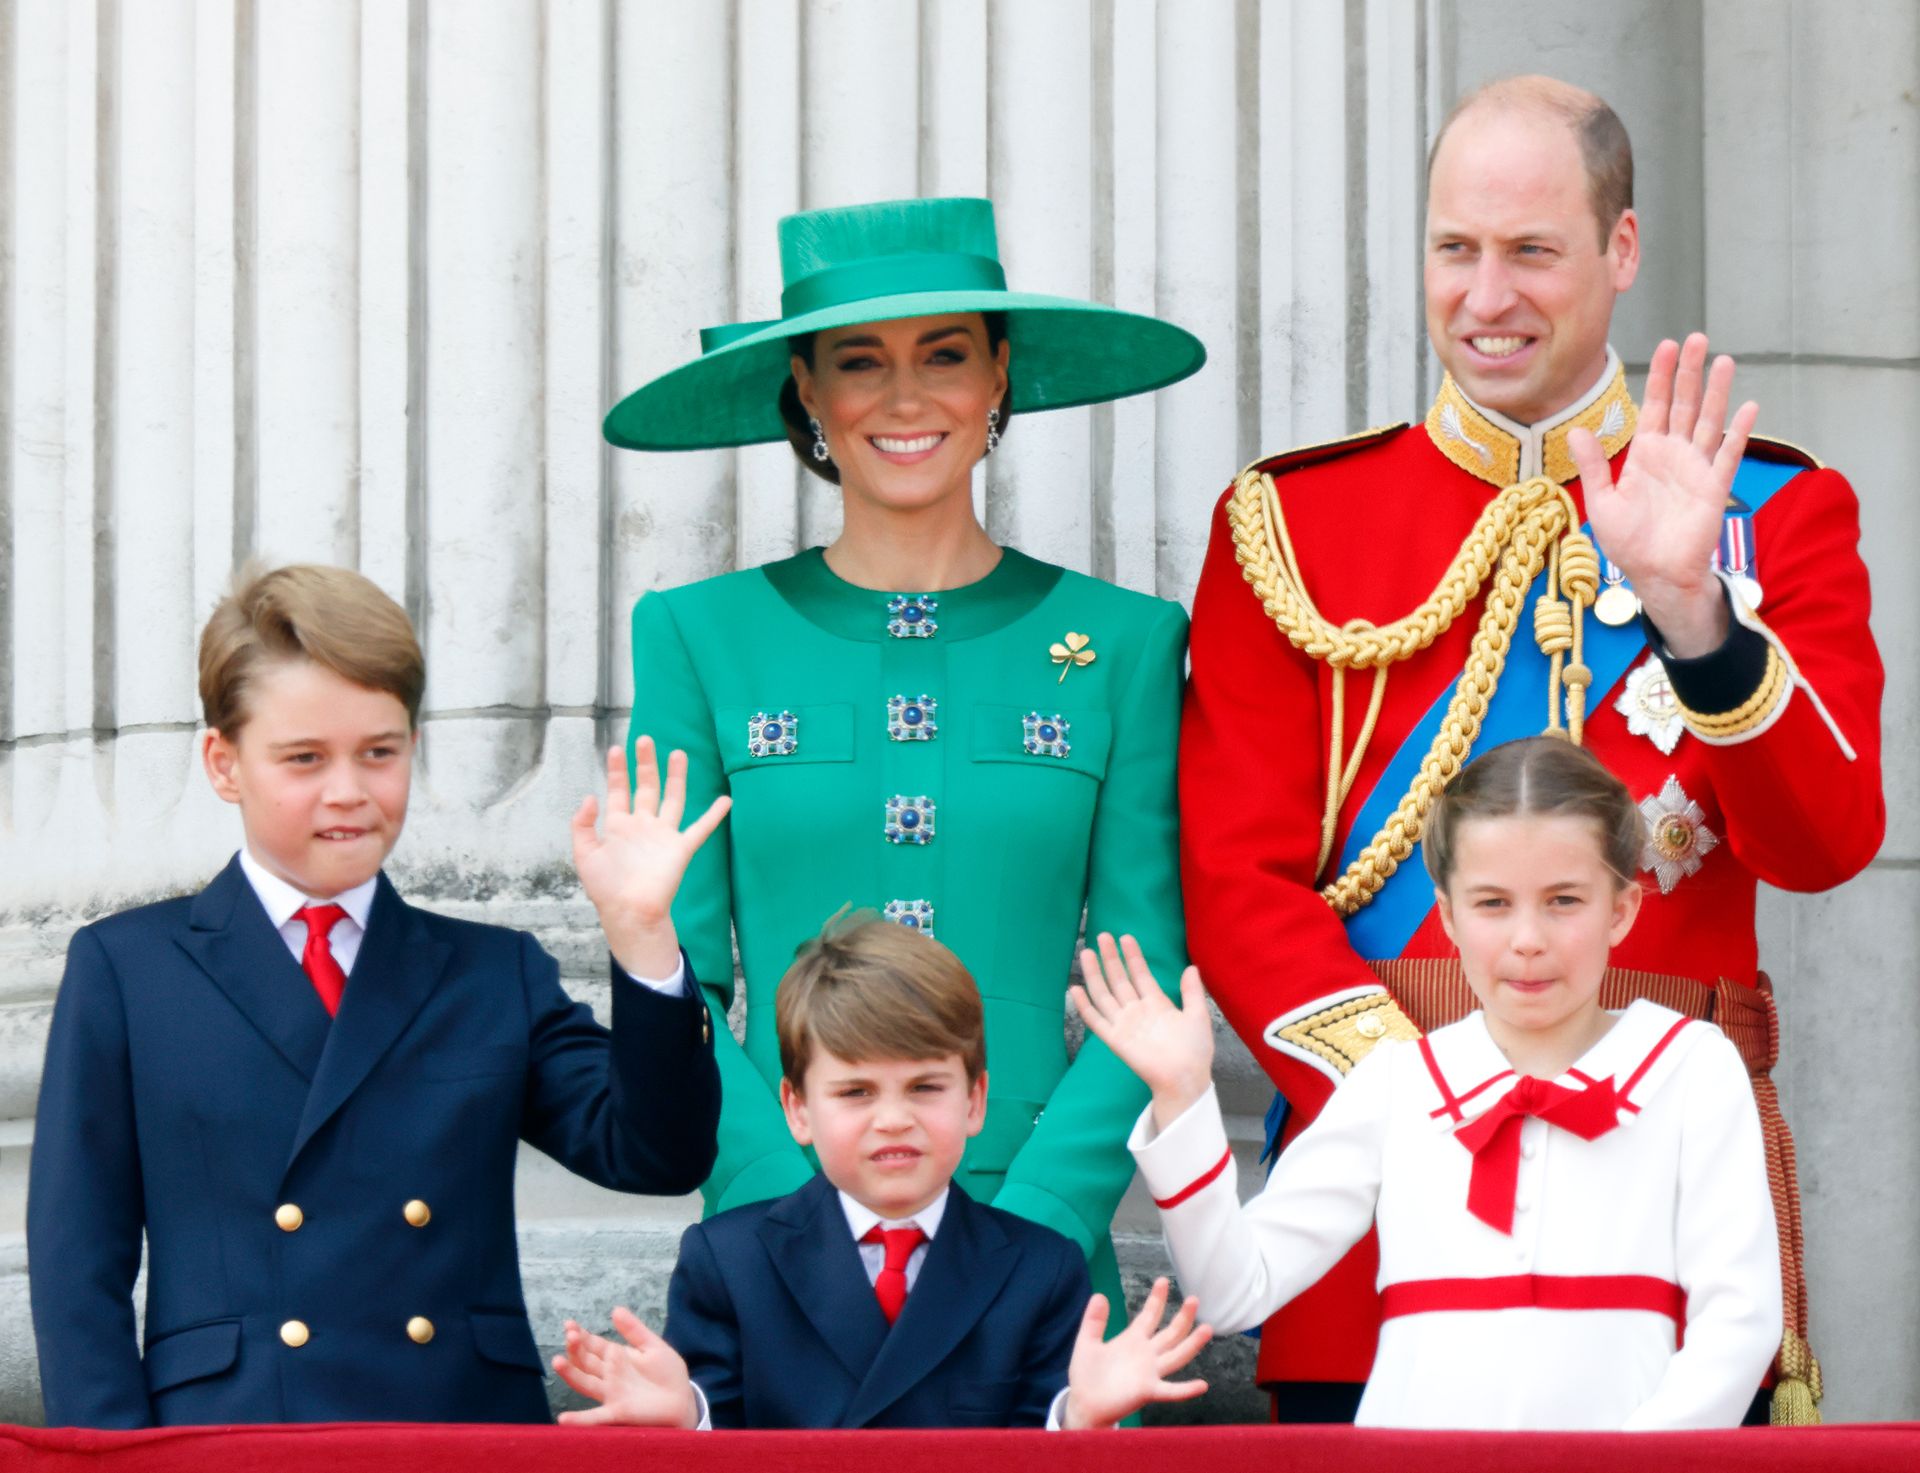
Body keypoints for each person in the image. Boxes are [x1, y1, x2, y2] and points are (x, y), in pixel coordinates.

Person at [1180, 75, 1883, 1422]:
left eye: (1532, 252)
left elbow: (1828, 842)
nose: (1486, 296)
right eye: (1457, 249)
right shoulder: (1292, 524)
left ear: (1621, 251)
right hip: (1382, 1235)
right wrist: (1424, 1105)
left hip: (1673, 1231)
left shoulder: (1772, 512)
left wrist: (1697, 619)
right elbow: (1233, 878)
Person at [604, 196, 1205, 1319]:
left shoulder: (1125, 645)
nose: (906, 396)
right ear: (809, 396)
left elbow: (1146, 984)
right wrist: (783, 1213)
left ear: (998, 380)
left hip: (1037, 1271)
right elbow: (676, 980)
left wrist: (1035, 1225)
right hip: (778, 1266)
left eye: (945, 355)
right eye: (859, 363)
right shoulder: (697, 638)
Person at [27, 564, 727, 1427]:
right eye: (304, 758)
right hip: (231, 1437)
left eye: (379, 751)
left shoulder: (490, 970)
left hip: (456, 1430)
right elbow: (76, 1263)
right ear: (223, 762)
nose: (350, 790)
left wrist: (643, 935)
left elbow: (655, 1154)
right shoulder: (129, 967)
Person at [1079, 737, 1783, 1429]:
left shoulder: (1693, 1065)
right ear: (1447, 915)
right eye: (1493, 903)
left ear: (1622, 909)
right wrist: (1182, 1095)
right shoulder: (1396, 1080)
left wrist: (1633, 1466)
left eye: (1564, 900)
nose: (1528, 938)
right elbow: (1235, 1289)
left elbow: (1741, 1320)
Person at [549, 915, 1211, 1429]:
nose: (893, 1119)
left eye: (925, 1087)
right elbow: (723, 1432)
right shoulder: (729, 1259)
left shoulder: (1041, 1267)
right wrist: (688, 1413)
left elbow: (1035, 1435)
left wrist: (1074, 1417)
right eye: (856, 1092)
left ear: (975, 1099)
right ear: (797, 1108)